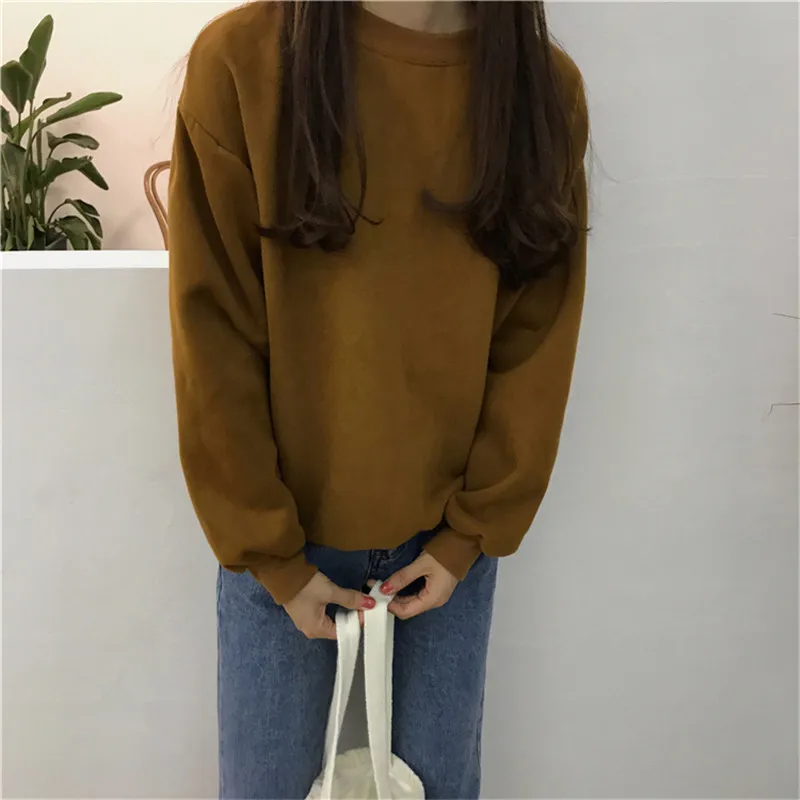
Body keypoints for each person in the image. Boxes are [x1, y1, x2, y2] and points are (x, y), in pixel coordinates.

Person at [168, 1, 589, 797]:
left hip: (447, 552)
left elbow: (535, 339)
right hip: (281, 549)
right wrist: (271, 553)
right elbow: (214, 332)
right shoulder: (243, 62)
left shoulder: (538, 89)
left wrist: (468, 536)